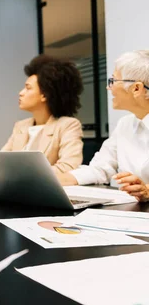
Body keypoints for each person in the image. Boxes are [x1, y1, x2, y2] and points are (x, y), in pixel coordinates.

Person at [59, 50, 149, 202]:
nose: (109, 87)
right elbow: (100, 168)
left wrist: (147, 190)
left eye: (113, 81)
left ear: (136, 88)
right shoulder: (124, 125)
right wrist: (54, 181)